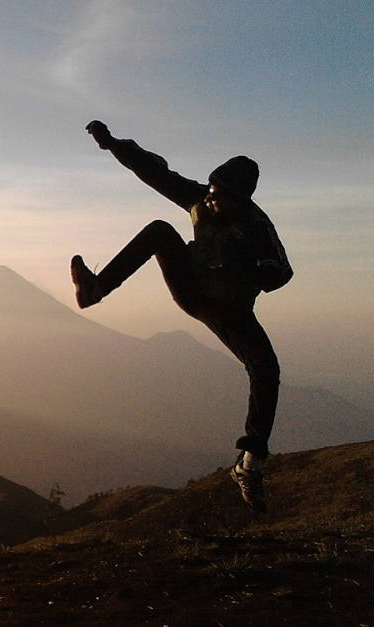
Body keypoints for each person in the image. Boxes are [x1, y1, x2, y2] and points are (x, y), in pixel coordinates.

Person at [72, 121, 293, 513]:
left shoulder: (257, 226)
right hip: (191, 289)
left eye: (221, 196)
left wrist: (247, 270)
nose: (212, 200)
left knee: (266, 368)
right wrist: (111, 144)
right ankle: (95, 290)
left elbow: (282, 272)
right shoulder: (200, 199)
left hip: (229, 309)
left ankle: (249, 464)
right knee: (160, 230)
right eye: (212, 191)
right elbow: (155, 171)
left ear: (241, 200)